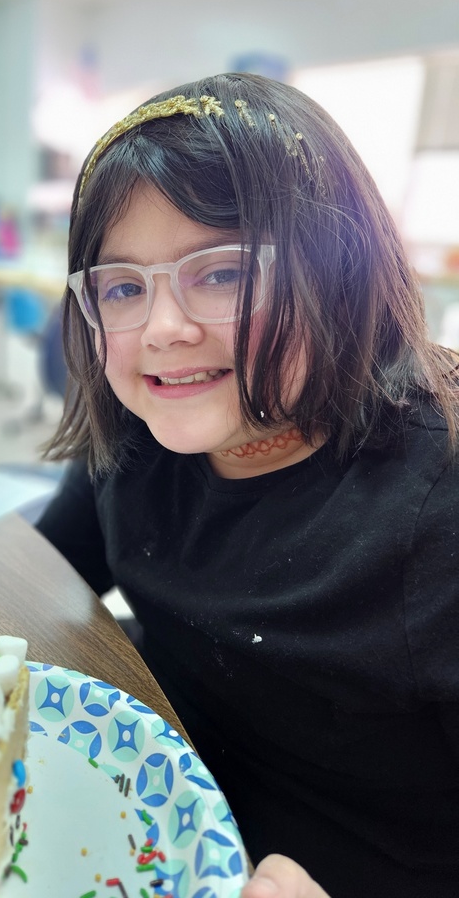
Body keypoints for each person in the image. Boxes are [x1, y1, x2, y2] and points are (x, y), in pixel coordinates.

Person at [35, 72, 459, 898]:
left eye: (222, 273)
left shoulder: (439, 507)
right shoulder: (141, 439)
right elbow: (42, 574)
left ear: (343, 268)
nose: (163, 329)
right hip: (144, 831)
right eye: (123, 287)